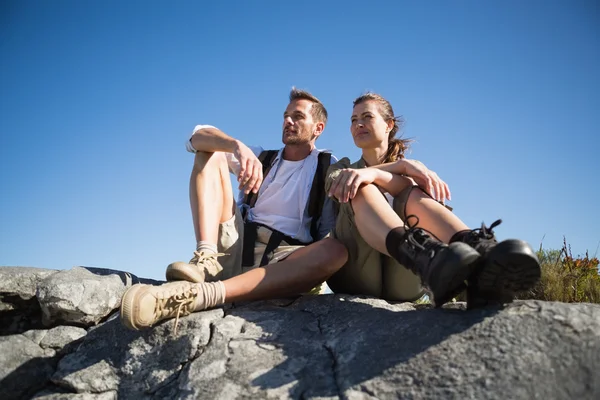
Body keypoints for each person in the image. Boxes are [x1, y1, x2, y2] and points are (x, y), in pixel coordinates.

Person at [120, 88, 349, 331]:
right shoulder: (261, 157)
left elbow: (329, 228)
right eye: (285, 115)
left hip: (282, 260)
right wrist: (235, 146)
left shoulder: (328, 165)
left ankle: (201, 295)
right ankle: (206, 259)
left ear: (318, 128)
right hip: (234, 246)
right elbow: (197, 138)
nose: (287, 121)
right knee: (212, 153)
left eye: (298, 116)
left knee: (335, 251)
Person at [325, 92, 541, 308]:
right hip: (354, 274)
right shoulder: (343, 167)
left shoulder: (414, 171)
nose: (358, 124)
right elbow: (337, 186)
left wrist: (390, 171)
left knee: (411, 191)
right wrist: (394, 168)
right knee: (359, 183)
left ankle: (480, 253)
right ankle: (431, 255)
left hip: (405, 280)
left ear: (389, 125)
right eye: (353, 120)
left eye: (367, 117)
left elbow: (405, 187)